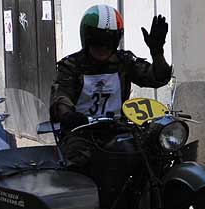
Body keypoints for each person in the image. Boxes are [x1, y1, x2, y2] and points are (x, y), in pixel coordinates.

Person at [49, 4, 172, 168]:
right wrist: (68, 116)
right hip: (81, 132)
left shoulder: (124, 62)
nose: (102, 48)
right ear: (86, 39)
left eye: (108, 42)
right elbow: (61, 98)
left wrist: (157, 53)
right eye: (97, 42)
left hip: (118, 129)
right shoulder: (71, 66)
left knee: (154, 156)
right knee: (77, 164)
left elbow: (157, 78)